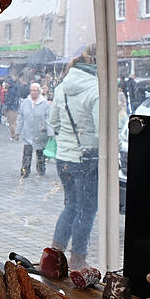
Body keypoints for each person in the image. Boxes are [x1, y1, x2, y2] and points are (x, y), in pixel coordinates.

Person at [48, 49, 99, 270]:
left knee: (70, 206)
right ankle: (78, 257)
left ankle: (54, 255)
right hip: (86, 159)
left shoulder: (61, 89)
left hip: (63, 158)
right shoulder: (97, 90)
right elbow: (102, 130)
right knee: (86, 210)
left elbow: (55, 123)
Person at [17, 83, 53, 177]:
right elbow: (20, 117)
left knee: (40, 152)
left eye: (35, 90)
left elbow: (48, 118)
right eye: (31, 90)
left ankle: (41, 168)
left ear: (39, 91)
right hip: (28, 131)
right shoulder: (25, 102)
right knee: (27, 152)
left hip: (40, 132)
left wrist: (50, 132)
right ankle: (25, 170)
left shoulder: (44, 103)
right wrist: (17, 131)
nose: (33, 92)